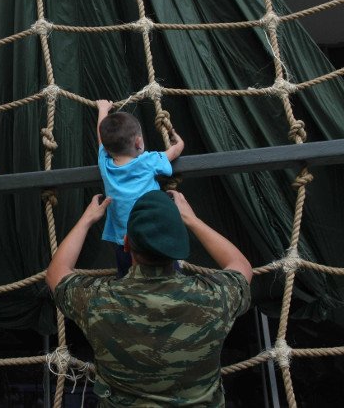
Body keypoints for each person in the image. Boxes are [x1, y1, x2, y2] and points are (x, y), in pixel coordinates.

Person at [47, 190, 252, 406]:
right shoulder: (215, 298)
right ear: (180, 248)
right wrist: (192, 220)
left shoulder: (98, 302)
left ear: (126, 244)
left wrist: (87, 219)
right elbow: (241, 266)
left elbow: (56, 273)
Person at [95, 99, 184, 276]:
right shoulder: (148, 161)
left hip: (124, 241)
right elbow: (174, 152)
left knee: (126, 277)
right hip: (155, 235)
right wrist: (179, 141)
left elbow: (101, 139)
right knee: (169, 272)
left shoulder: (105, 163)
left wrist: (102, 110)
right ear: (138, 143)